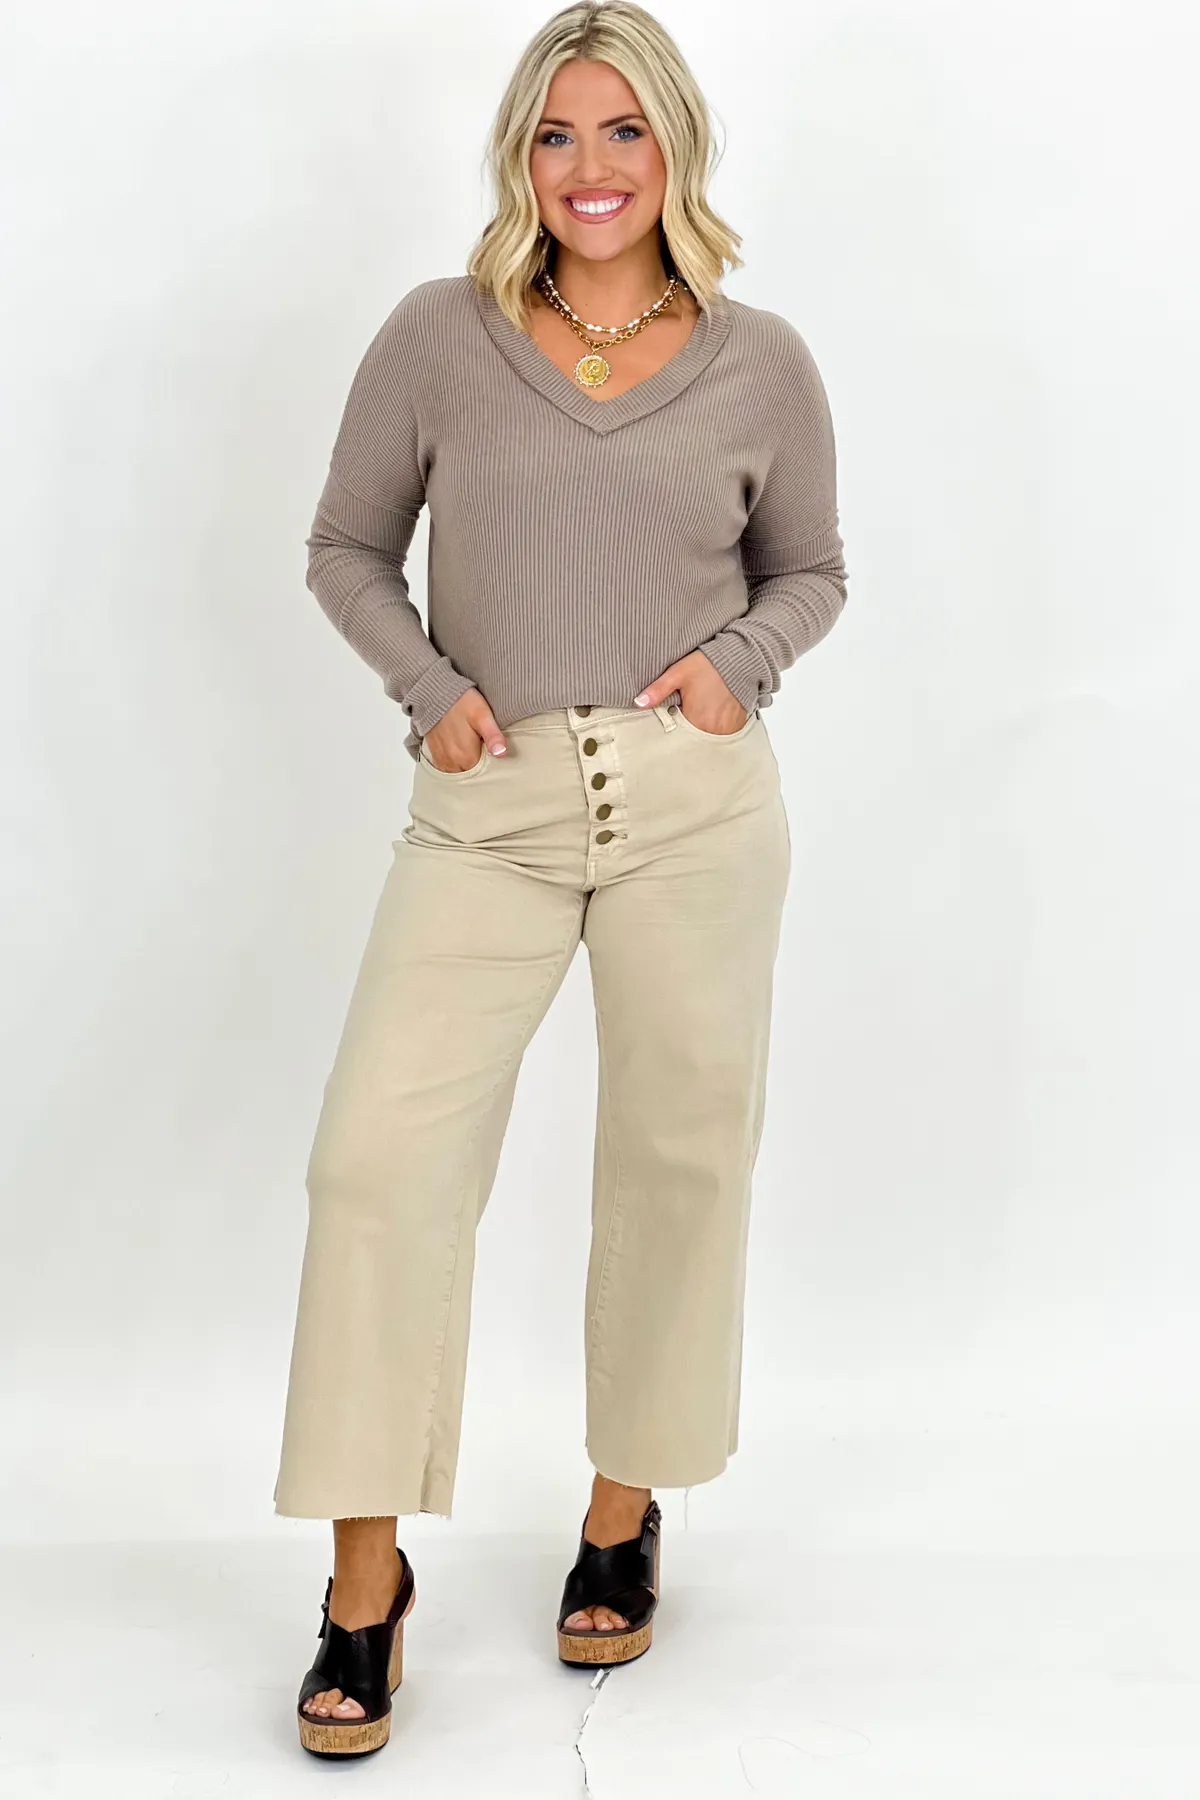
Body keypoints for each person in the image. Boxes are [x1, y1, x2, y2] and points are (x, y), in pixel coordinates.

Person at [274, 0, 849, 1760]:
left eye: (623, 131)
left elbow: (811, 572)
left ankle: (620, 1509)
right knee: (376, 1164)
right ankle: (364, 1582)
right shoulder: (439, 340)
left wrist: (735, 671)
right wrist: (430, 692)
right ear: (518, 154)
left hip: (693, 806)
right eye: (554, 133)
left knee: (678, 1156)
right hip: (491, 805)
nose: (590, 168)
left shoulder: (761, 362)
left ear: (676, 148)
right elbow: (346, 548)